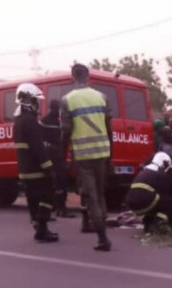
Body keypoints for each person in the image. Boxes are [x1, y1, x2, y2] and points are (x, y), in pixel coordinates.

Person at [61, 64, 112, 252]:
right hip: (102, 153)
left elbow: (65, 132)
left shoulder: (67, 100)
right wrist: (110, 157)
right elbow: (109, 129)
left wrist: (62, 158)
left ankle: (102, 238)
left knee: (91, 197)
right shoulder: (102, 97)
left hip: (83, 156)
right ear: (88, 76)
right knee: (100, 195)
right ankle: (102, 233)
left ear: (73, 77)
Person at [13, 83, 59, 243]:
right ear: (28, 100)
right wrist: (49, 167)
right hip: (36, 169)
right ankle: (42, 228)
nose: (37, 104)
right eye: (35, 100)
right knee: (48, 194)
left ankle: (38, 228)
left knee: (32, 199)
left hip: (25, 170)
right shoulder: (30, 120)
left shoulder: (18, 120)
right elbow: (37, 147)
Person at [125, 152, 172, 233]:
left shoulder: (145, 171)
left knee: (157, 200)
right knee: (171, 201)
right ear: (164, 163)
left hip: (132, 204)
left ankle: (148, 223)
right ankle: (159, 223)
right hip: (144, 200)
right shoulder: (160, 174)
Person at [41, 99, 76, 218]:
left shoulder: (45, 121)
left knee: (53, 182)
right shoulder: (55, 122)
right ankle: (60, 208)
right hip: (55, 155)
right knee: (60, 182)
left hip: (51, 155)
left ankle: (54, 207)